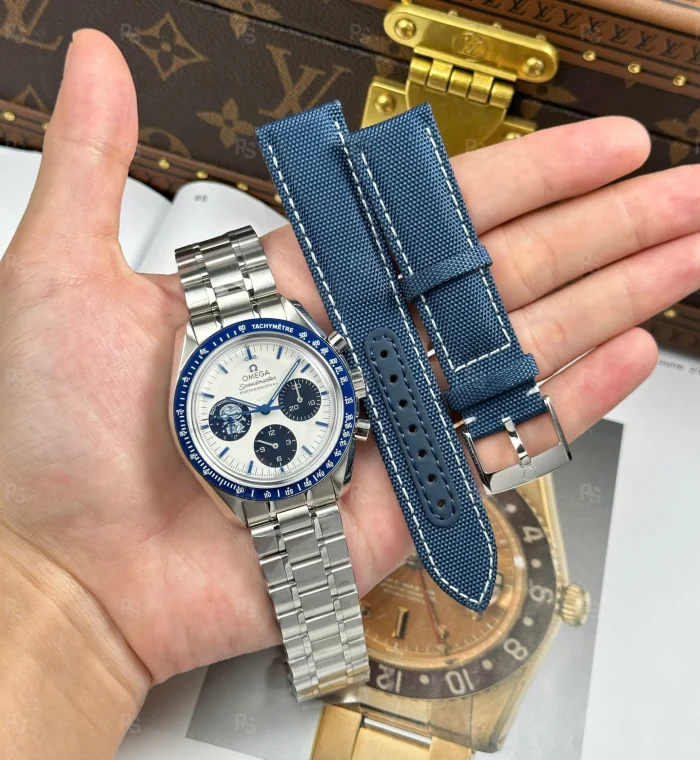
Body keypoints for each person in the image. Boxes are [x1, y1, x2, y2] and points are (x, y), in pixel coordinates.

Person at [1, 29, 698, 759]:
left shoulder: (320, 375)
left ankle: (323, 660)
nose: (267, 411)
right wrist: (41, 569)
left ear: (344, 383)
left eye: (293, 398)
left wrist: (47, 590)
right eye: (246, 414)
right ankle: (323, 662)